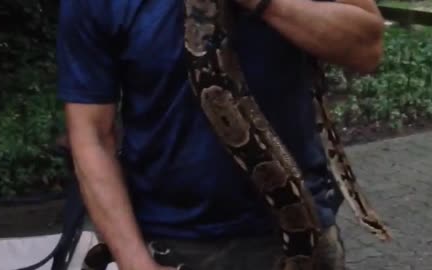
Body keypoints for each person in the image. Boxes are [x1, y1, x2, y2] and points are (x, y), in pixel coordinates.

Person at [57, 0, 384, 270]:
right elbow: (91, 136)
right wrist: (133, 260)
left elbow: (367, 47)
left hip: (308, 230)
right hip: (177, 245)